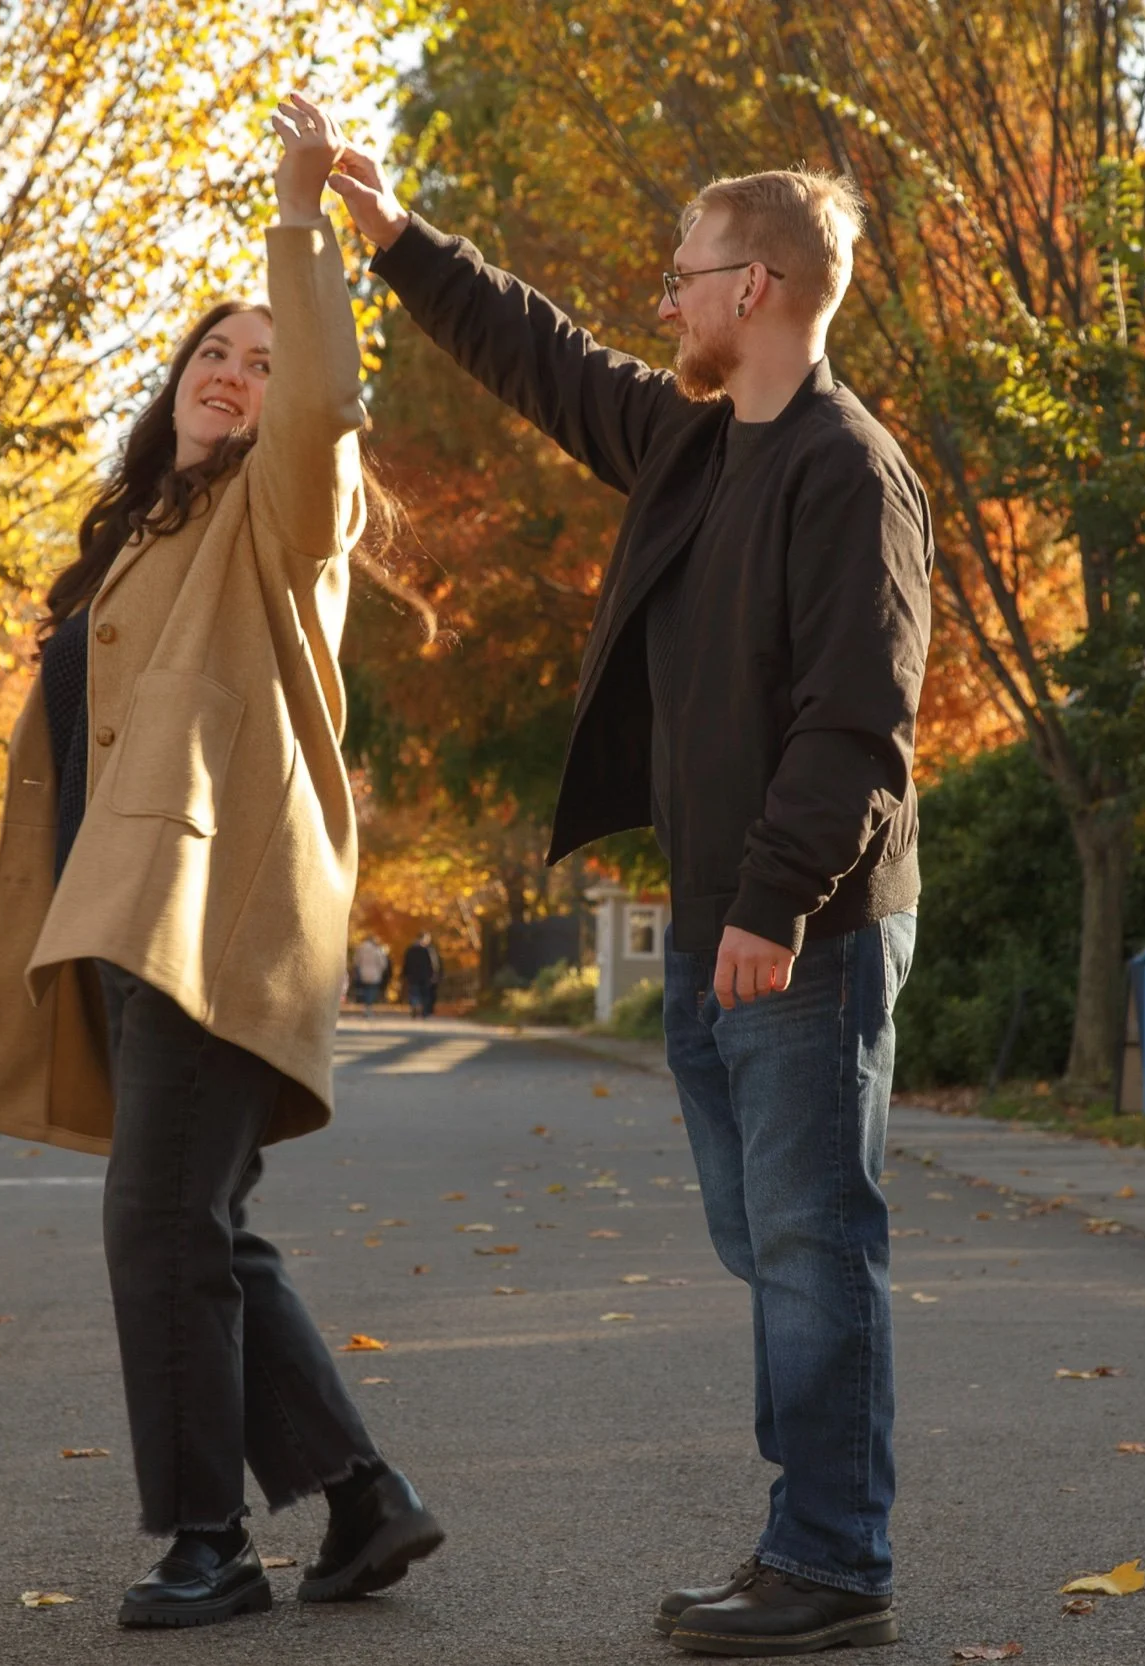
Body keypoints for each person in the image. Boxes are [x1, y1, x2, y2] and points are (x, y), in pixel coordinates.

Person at [327, 149, 930, 1654]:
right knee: (764, 1237)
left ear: (757, 286)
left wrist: (773, 906)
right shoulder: (693, 442)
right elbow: (542, 356)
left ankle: (832, 1559)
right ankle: (810, 1542)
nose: (662, 300)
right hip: (720, 908)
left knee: (811, 1241)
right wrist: (398, 240)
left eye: (683, 272)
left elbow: (859, 722)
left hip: (806, 925)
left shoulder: (848, 471)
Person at [0, 94, 442, 1631]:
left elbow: (328, 404)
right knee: (202, 1223)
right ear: (175, 378)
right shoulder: (140, 536)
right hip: (124, 915)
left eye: (261, 357)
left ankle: (208, 1542)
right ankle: (364, 1498)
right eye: (215, 349)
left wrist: (300, 227)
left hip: (220, 918)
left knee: (158, 1222)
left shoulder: (285, 517)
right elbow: (89, 769)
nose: (236, 369)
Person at [399, 930, 441, 1018]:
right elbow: (434, 964)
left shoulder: (410, 949)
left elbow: (406, 963)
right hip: (425, 976)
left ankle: (415, 1005)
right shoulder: (429, 950)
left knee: (414, 992)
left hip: (413, 975)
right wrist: (435, 974)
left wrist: (404, 974)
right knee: (425, 994)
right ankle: (424, 1011)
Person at [351, 933, 391, 1009]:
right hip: (375, 973)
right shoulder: (377, 949)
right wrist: (382, 970)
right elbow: (383, 963)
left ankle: (365, 1004)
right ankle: (368, 1005)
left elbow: (356, 961)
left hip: (363, 972)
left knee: (364, 989)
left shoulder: (360, 948)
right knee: (372, 990)